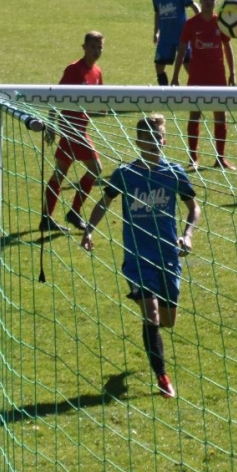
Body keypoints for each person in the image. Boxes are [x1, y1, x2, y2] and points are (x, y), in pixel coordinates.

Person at [81, 114, 200, 400]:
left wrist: (188, 235)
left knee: (168, 321)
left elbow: (193, 207)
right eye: (146, 140)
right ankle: (163, 379)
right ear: (137, 142)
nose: (152, 144)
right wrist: (88, 230)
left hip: (168, 255)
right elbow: (105, 201)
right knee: (152, 314)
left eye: (157, 139)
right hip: (137, 257)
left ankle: (148, 357)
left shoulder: (174, 173)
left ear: (164, 141)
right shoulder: (125, 174)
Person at [41, 31, 105, 233]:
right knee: (96, 168)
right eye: (93, 46)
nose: (96, 51)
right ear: (84, 47)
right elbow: (56, 96)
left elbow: (98, 101)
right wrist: (51, 124)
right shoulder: (74, 70)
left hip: (80, 128)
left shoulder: (97, 72)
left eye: (100, 47)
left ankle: (47, 218)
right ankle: (74, 212)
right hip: (71, 129)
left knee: (60, 172)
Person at [171, 0, 236, 170]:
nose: (209, 1)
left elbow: (228, 48)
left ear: (217, 1)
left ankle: (220, 158)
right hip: (197, 76)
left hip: (218, 76)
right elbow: (182, 50)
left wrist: (232, 73)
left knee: (220, 115)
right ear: (200, 0)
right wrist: (175, 76)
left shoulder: (221, 23)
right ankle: (193, 159)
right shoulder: (191, 24)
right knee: (194, 115)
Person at [152, 0, 200, 87]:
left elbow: (193, 5)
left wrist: (200, 22)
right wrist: (156, 32)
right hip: (165, 36)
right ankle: (165, 92)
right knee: (159, 65)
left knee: (187, 63)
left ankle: (198, 88)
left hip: (181, 34)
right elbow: (157, 13)